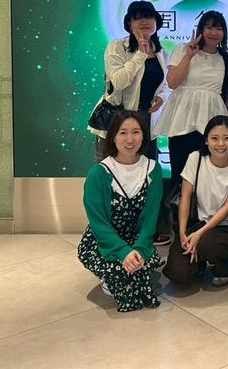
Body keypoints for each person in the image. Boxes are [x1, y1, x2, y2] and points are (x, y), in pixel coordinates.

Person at [88, 0, 171, 244]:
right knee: (109, 178)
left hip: (145, 124)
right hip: (116, 123)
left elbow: (166, 85)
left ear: (157, 22)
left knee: (146, 178)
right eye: (137, 17)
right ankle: (108, 232)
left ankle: (146, 230)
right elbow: (118, 81)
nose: (144, 21)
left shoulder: (162, 52)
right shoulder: (117, 47)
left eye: (149, 17)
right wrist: (139, 56)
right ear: (129, 23)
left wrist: (162, 97)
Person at [78, 111, 163, 312]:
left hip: (138, 240)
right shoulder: (99, 173)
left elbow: (150, 219)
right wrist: (124, 252)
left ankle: (129, 270)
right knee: (120, 274)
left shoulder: (152, 169)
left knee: (139, 269)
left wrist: (139, 249)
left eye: (136, 132)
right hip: (104, 241)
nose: (130, 139)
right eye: (123, 132)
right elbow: (99, 223)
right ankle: (112, 275)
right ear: (113, 137)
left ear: (144, 135)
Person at [154, 10, 228, 197]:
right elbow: (172, 82)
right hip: (182, 119)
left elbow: (225, 95)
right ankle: (178, 212)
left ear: (224, 33)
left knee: (207, 174)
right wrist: (189, 55)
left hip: (211, 122)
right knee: (180, 172)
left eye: (219, 28)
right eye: (209, 27)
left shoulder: (224, 57)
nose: (213, 32)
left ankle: (202, 213)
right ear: (201, 29)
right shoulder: (183, 49)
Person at [163, 115, 228, 288]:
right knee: (178, 275)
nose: (221, 144)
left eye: (227, 138)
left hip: (221, 225)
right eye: (214, 138)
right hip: (194, 222)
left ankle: (223, 265)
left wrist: (199, 234)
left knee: (207, 245)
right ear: (206, 140)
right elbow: (185, 197)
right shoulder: (195, 158)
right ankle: (197, 262)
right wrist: (182, 233)